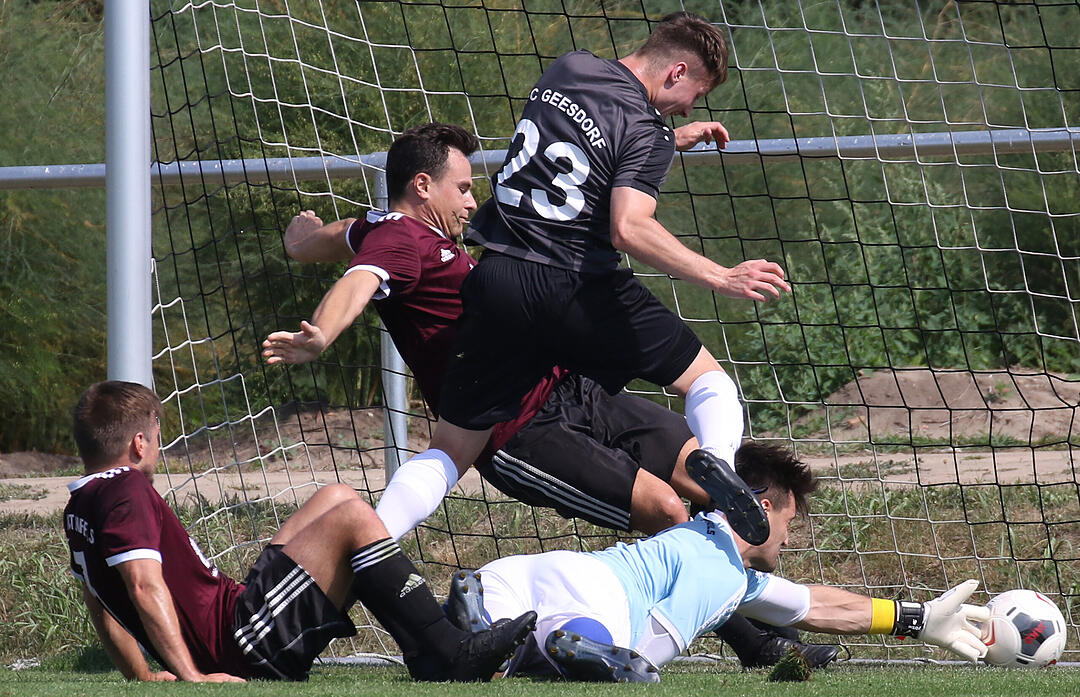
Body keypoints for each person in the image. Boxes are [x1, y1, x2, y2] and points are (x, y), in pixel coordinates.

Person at [262, 122, 835, 668]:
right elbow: (359, 278)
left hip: (574, 387)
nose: (470, 201)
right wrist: (321, 335)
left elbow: (342, 236)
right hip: (518, 431)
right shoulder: (401, 242)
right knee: (666, 510)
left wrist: (302, 241)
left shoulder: (386, 226)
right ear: (422, 186)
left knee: (706, 475)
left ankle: (766, 626)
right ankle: (755, 643)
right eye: (461, 188)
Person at [367, 11, 791, 554]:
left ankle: (370, 545)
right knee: (708, 383)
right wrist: (720, 275)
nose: (689, 107)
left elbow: (589, 140)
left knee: (450, 448)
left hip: (496, 277)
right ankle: (721, 467)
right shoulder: (647, 130)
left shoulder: (567, 70)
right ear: (676, 71)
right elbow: (627, 226)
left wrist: (668, 136)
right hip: (573, 288)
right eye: (694, 94)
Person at [63, 380, 535, 682]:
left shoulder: (82, 503)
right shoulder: (126, 490)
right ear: (138, 442)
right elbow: (143, 587)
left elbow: (99, 602)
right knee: (353, 520)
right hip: (242, 643)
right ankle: (445, 651)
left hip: (236, 615)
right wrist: (192, 678)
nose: (158, 448)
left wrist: (141, 677)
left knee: (337, 496)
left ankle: (424, 643)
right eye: (158, 436)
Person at [444, 442, 992, 682]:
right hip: (600, 606)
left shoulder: (700, 541)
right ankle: (546, 655)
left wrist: (913, 620)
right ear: (763, 508)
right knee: (613, 659)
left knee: (484, 644)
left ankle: (486, 623)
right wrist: (634, 665)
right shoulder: (724, 575)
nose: (789, 538)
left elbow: (813, 606)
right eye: (790, 521)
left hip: (538, 569)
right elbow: (649, 647)